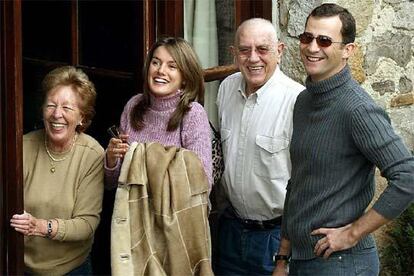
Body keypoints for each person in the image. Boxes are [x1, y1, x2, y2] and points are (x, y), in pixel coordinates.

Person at [274, 3, 414, 276]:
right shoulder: (304, 100)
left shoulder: (357, 109)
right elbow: (299, 183)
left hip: (342, 263)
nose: (313, 48)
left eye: (325, 40)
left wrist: (352, 233)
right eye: (307, 38)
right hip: (303, 262)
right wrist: (283, 256)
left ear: (348, 50)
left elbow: (407, 176)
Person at [215, 18, 305, 275]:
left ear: (280, 50)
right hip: (231, 230)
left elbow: (303, 183)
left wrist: (284, 258)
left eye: (262, 49)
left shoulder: (297, 101)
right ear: (234, 54)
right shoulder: (226, 89)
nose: (253, 58)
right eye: (244, 50)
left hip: (276, 239)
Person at [10, 66, 105, 275]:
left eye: (67, 108)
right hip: (21, 266)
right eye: (50, 105)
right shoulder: (22, 146)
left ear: (82, 117)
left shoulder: (91, 154)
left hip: (71, 268)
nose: (56, 114)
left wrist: (42, 227)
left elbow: (87, 223)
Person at [104, 36, 212, 189]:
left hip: (172, 212)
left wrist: (144, 164)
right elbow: (113, 184)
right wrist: (112, 159)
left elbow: (203, 182)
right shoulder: (134, 105)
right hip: (131, 211)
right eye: (156, 63)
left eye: (172, 66)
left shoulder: (193, 114)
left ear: (185, 78)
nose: (161, 71)